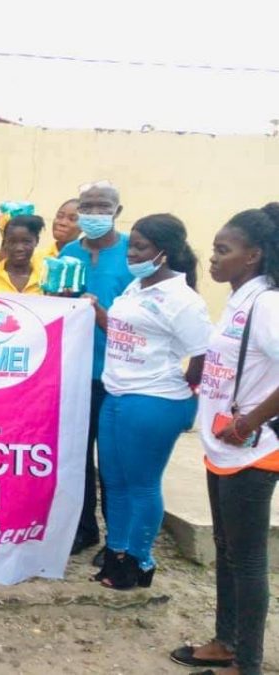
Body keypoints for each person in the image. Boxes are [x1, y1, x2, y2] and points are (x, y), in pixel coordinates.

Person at [170, 205, 279, 675]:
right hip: (222, 445)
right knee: (228, 548)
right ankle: (224, 642)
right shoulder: (238, 299)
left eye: (222, 250)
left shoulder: (267, 304)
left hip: (251, 449)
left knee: (249, 558)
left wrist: (248, 420)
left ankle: (247, 664)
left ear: (253, 255)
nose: (211, 259)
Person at [92, 214, 210, 589]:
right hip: (118, 394)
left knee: (142, 484)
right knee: (114, 481)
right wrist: (97, 313)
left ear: (164, 252)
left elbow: (202, 355)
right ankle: (116, 556)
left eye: (140, 246)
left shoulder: (183, 299)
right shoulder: (137, 287)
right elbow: (124, 333)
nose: (132, 252)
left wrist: (179, 386)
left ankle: (139, 562)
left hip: (154, 401)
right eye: (132, 245)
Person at [60, 181, 134, 558]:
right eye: (86, 206)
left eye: (101, 206)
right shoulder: (70, 251)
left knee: (115, 463)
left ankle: (117, 540)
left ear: (117, 211)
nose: (92, 213)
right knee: (77, 459)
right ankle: (84, 529)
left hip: (119, 374)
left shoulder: (132, 255)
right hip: (75, 372)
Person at [0, 215, 45, 294]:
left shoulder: (45, 279)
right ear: (4, 243)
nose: (19, 248)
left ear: (36, 241)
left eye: (26, 242)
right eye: (12, 242)